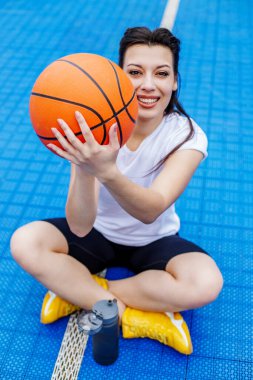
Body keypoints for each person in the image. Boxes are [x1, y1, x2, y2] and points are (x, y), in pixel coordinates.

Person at [10, 27, 223, 355]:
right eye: (135, 72)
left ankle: (79, 290)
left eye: (161, 73)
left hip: (153, 240)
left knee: (207, 282)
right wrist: (85, 166)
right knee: (24, 242)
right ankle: (128, 313)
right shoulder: (92, 125)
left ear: (175, 81)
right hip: (97, 234)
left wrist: (106, 171)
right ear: (118, 77)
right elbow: (80, 226)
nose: (148, 85)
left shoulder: (187, 136)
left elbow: (152, 209)